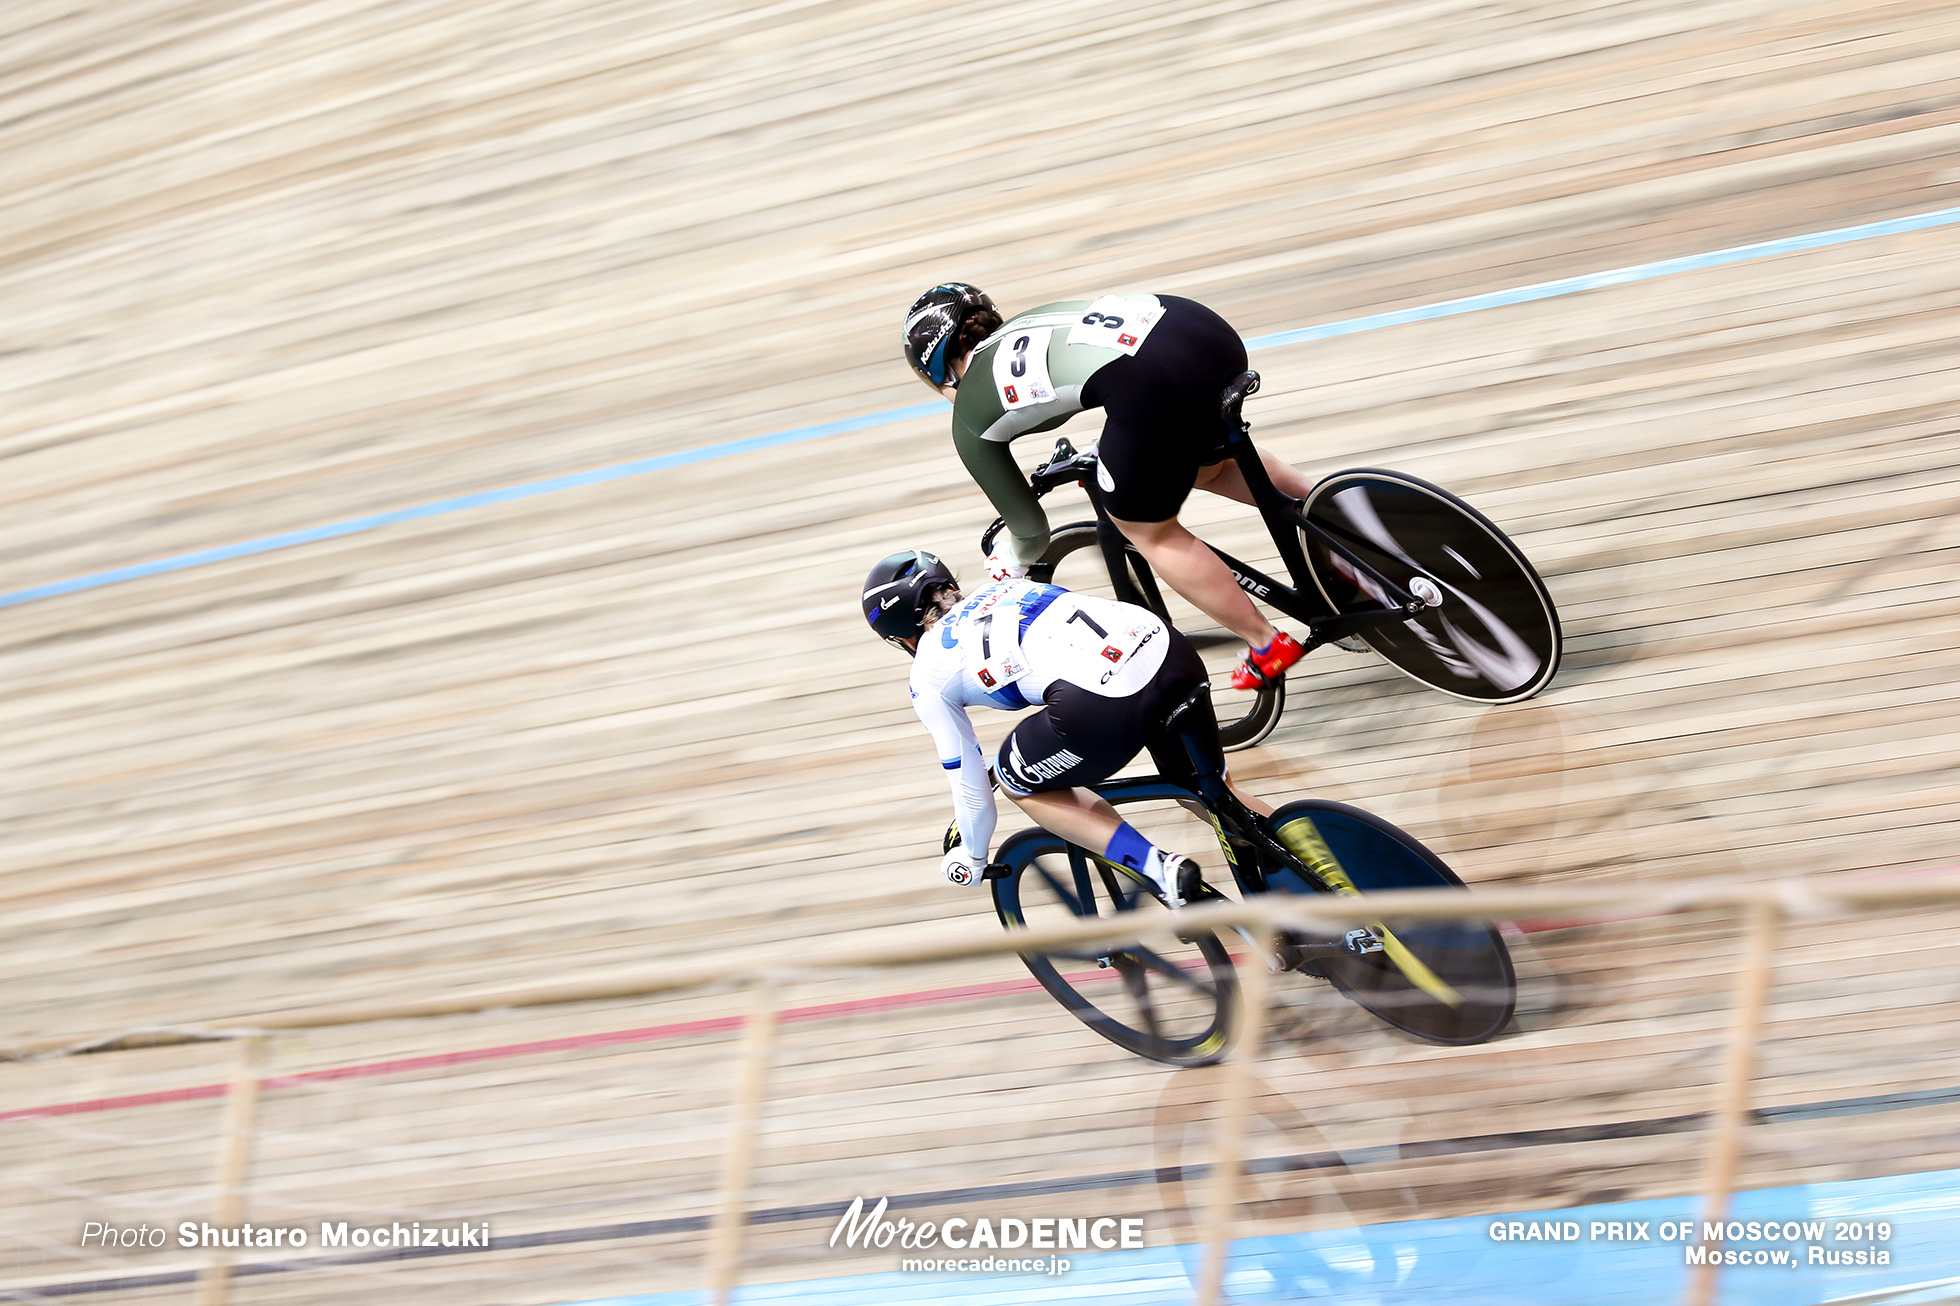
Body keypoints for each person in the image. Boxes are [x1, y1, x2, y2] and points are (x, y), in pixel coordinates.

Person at [902, 283, 1317, 691]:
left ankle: (1266, 643)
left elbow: (1030, 531)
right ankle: (1342, 512)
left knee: (1144, 525)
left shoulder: (970, 416)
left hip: (1152, 382)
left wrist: (1010, 559)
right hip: (1199, 328)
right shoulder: (1024, 326)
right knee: (1209, 465)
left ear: (934, 371)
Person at [861, 547, 1278, 905]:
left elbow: (969, 787)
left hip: (1103, 701)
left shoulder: (927, 675)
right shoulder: (1003, 586)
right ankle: (1323, 862)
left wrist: (971, 857)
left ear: (901, 636)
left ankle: (1161, 871)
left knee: (1014, 780)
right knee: (1208, 794)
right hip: (1166, 648)